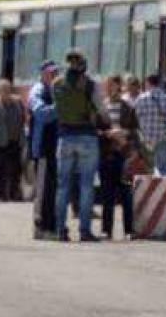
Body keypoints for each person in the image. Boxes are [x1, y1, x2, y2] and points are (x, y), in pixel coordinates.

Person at [53, 50, 106, 242]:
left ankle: (60, 230)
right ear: (82, 64)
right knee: (86, 186)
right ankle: (84, 230)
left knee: (63, 186)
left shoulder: (56, 83)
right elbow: (102, 109)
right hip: (87, 137)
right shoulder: (90, 84)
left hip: (64, 138)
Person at [99, 75, 138, 240]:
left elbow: (135, 130)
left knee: (126, 195)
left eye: (113, 85)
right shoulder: (101, 107)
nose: (110, 88)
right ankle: (106, 230)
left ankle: (129, 230)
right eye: (108, 85)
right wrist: (108, 134)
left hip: (123, 155)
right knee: (107, 195)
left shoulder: (128, 107)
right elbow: (96, 130)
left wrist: (124, 133)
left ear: (119, 86)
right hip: (107, 154)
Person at [28, 60, 59, 239]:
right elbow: (41, 113)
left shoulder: (54, 91)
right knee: (43, 191)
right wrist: (61, 106)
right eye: (50, 73)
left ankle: (50, 226)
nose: (54, 76)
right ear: (42, 74)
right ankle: (41, 227)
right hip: (43, 149)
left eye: (55, 73)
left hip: (53, 149)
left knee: (52, 190)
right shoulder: (38, 91)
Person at [0, 79, 26, 201]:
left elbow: (24, 119)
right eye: (3, 91)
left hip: (15, 141)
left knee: (16, 170)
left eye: (8, 90)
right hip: (0, 142)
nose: (5, 93)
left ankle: (14, 193)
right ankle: (0, 195)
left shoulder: (18, 102)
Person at [134, 73, 166, 176]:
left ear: (148, 83)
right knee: (163, 167)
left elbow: (135, 118)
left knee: (147, 167)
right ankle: (163, 189)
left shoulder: (141, 99)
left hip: (146, 138)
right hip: (162, 136)